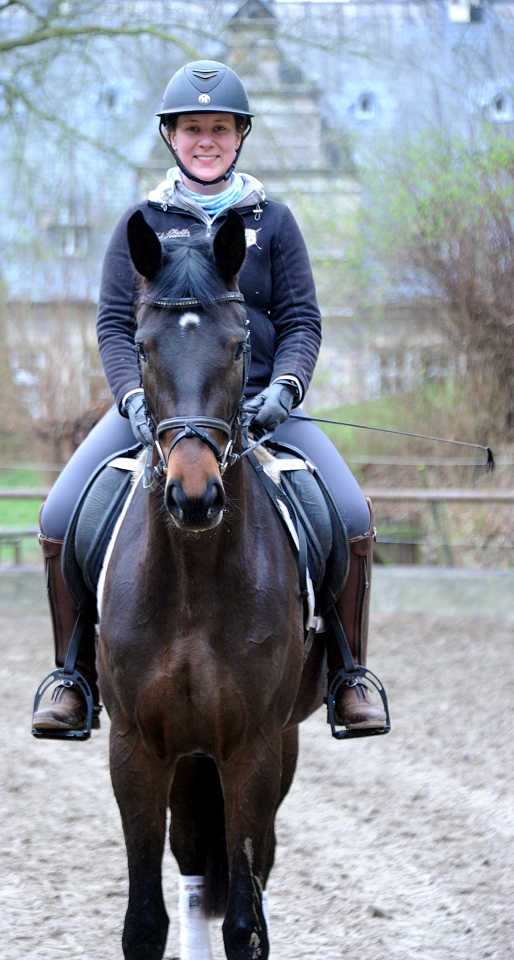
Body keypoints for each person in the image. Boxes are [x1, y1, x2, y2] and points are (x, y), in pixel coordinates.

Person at [32, 61, 386, 734]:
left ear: (238, 136)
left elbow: (302, 320)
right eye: (192, 129)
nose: (205, 140)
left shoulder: (273, 221)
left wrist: (286, 386)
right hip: (158, 408)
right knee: (57, 515)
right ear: (171, 135)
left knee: (348, 512)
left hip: (258, 407)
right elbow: (113, 323)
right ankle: (72, 675)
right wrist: (132, 399)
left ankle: (347, 673)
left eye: (218, 129)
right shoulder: (141, 220)